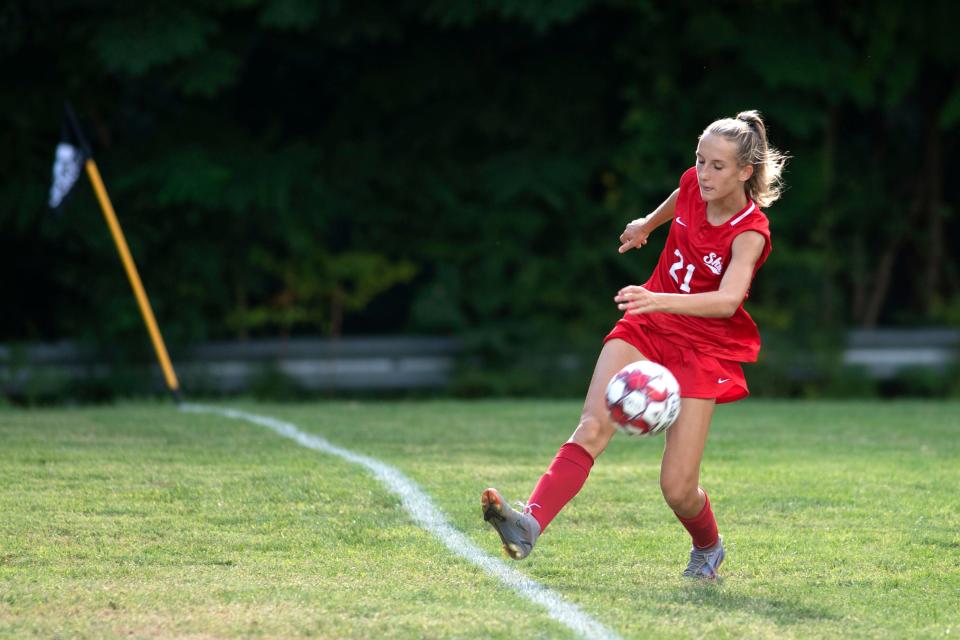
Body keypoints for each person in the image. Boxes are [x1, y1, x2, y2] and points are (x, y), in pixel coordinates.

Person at [481, 110, 788, 579]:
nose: (703, 173)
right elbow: (678, 198)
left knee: (678, 489)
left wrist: (658, 296)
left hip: (702, 348)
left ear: (746, 172)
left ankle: (708, 547)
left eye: (717, 166)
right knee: (591, 425)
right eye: (700, 160)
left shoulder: (750, 231)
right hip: (648, 325)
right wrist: (647, 223)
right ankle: (529, 523)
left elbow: (728, 301)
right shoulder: (693, 183)